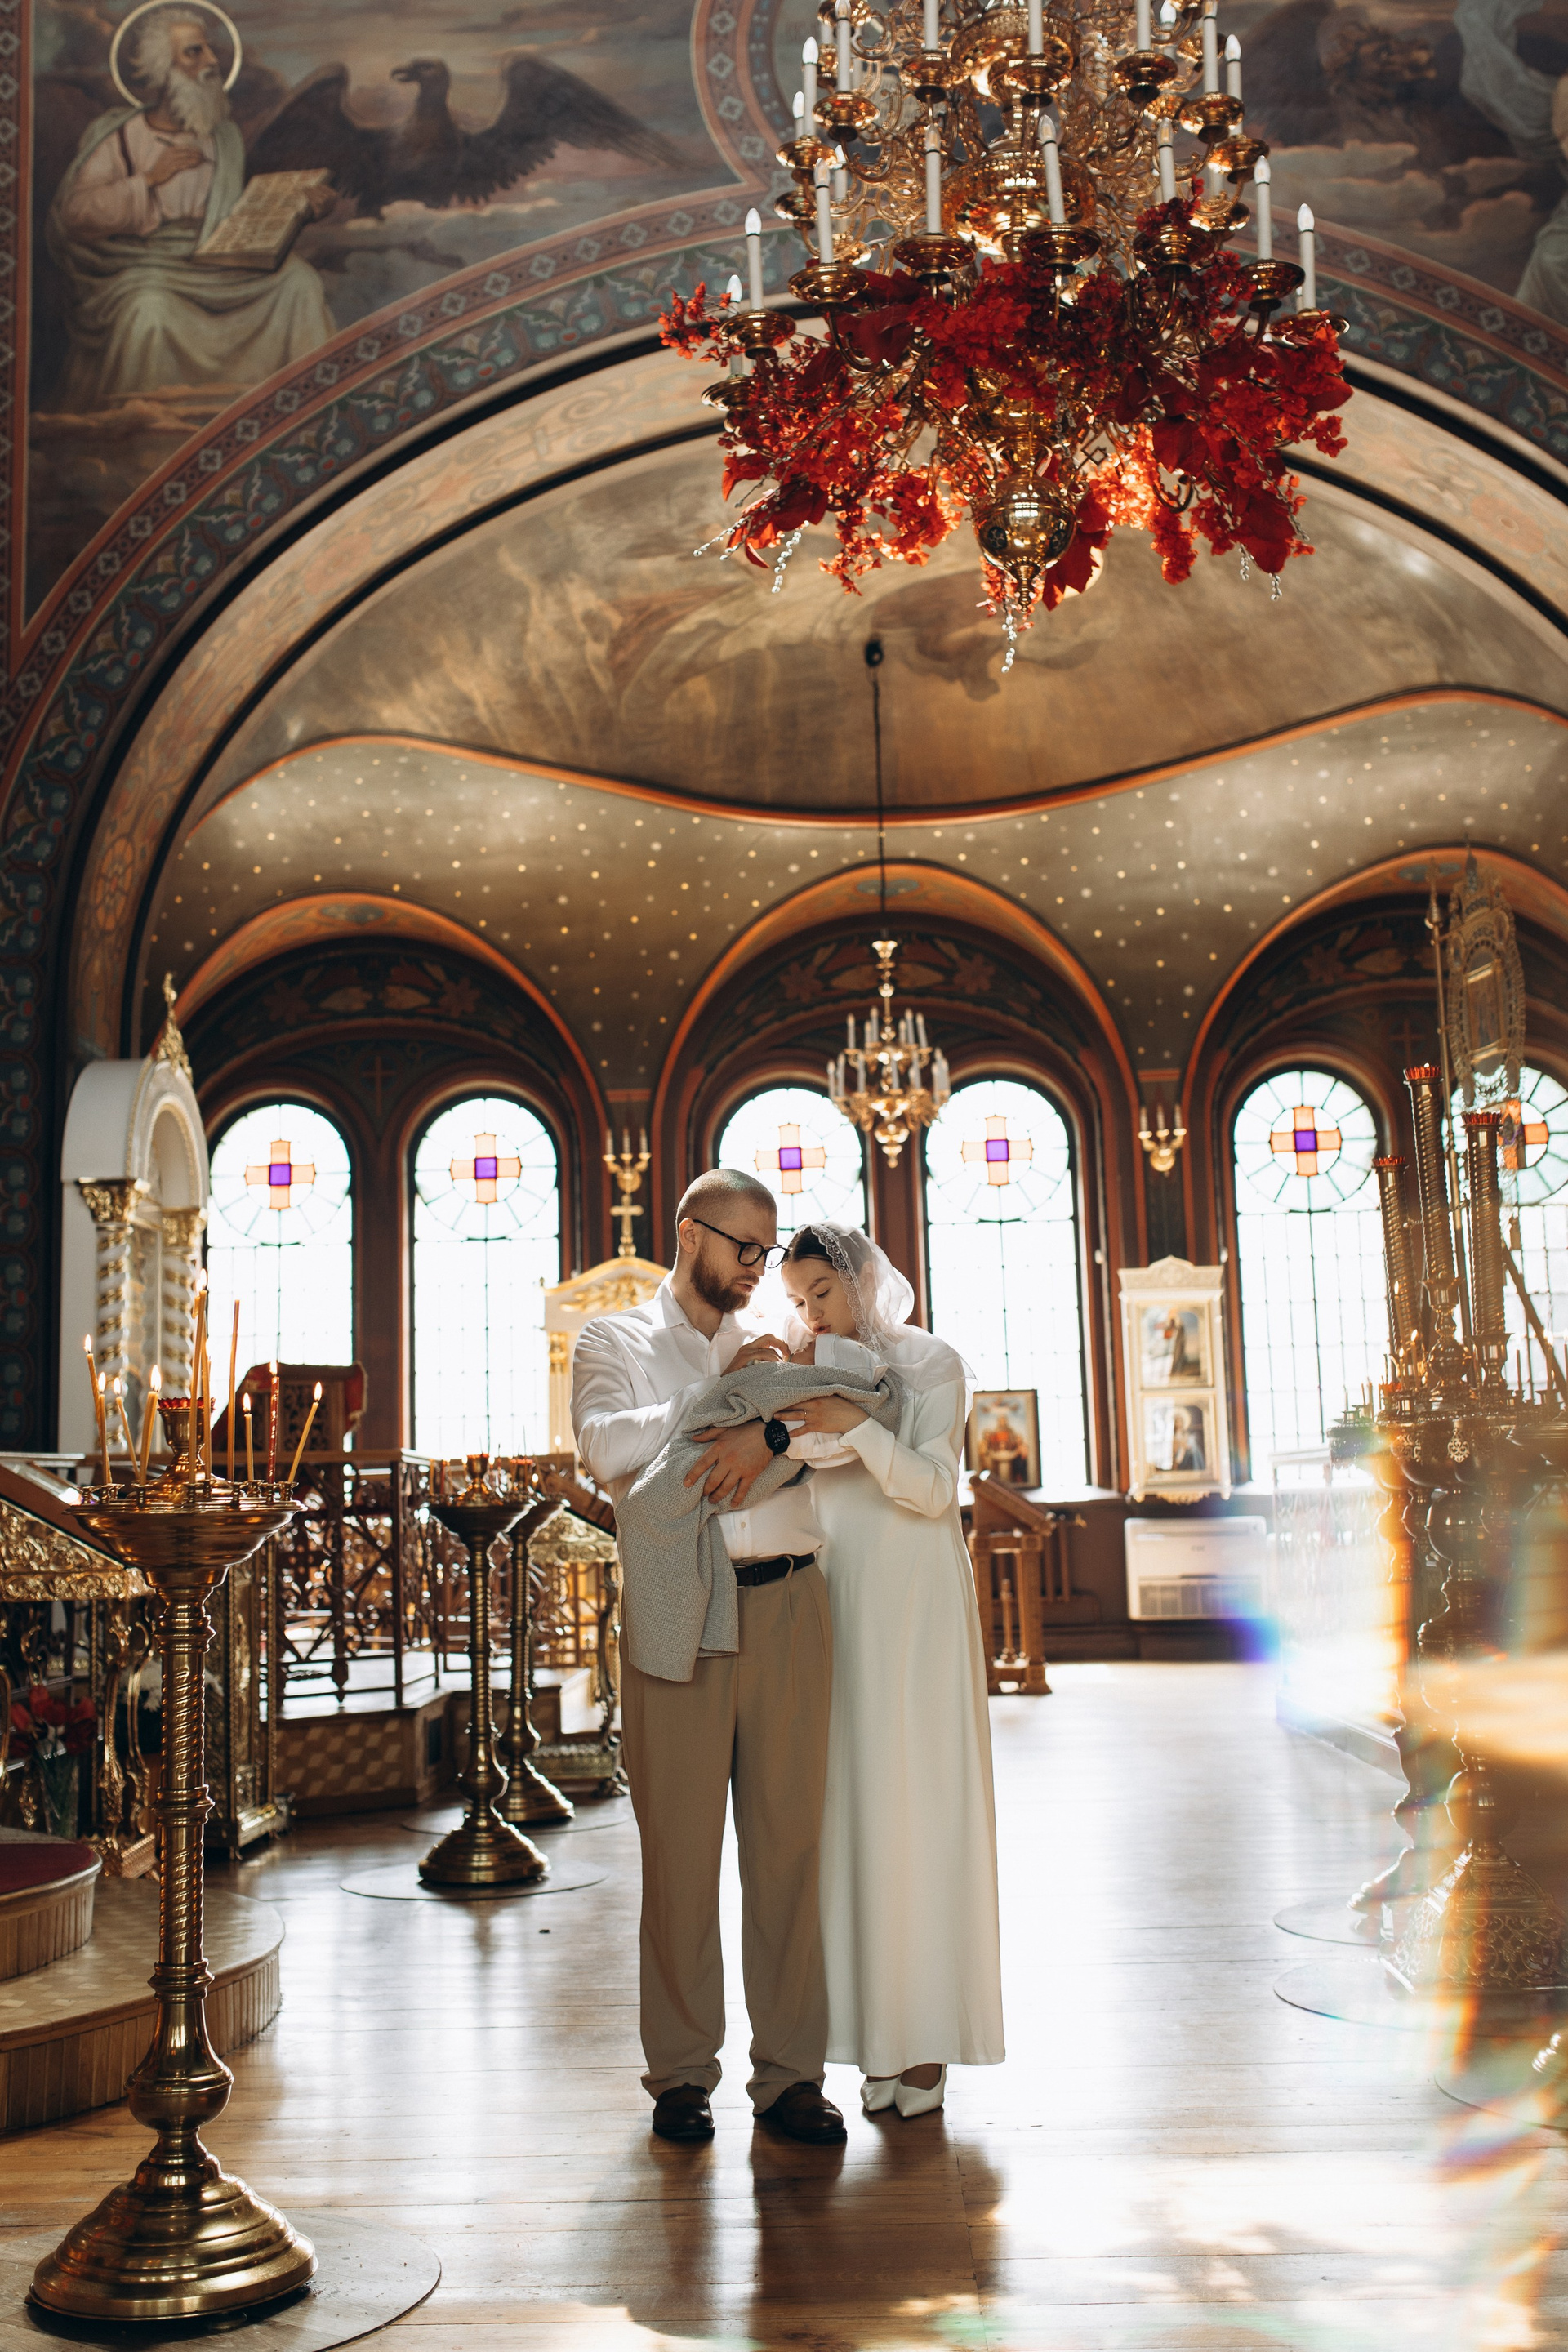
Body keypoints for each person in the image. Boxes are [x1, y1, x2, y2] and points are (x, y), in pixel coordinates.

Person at [570, 1169, 846, 2148]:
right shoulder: (614, 1342)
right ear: (690, 1235)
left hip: (791, 1603)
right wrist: (721, 1402)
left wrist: (766, 1422)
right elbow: (606, 1449)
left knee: (791, 1852)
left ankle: (793, 2076)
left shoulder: (780, 1338)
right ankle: (682, 2075)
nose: (760, 1268)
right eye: (746, 1248)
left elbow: (826, 1434)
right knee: (680, 1857)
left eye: (769, 1251)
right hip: (678, 1610)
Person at [777, 1223, 1004, 2118]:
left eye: (821, 1293)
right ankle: (874, 2034)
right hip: (834, 1591)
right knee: (851, 1812)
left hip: (916, 1600)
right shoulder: (802, 1367)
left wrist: (856, 1428)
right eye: (797, 1299)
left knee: (919, 1806)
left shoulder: (931, 1362)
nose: (809, 1312)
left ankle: (928, 2039)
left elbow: (934, 1488)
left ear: (864, 1277)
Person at [47, 7, 334, 413]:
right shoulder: (121, 136)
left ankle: (309, 405)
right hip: (145, 263)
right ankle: (141, 422)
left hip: (216, 261)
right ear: (163, 67)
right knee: (148, 309)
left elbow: (234, 217)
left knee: (299, 282)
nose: (211, 61)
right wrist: (148, 180)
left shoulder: (224, 138)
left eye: (209, 50)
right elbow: (77, 215)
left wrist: (299, 208)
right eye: (194, 52)